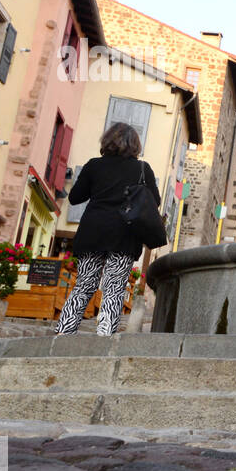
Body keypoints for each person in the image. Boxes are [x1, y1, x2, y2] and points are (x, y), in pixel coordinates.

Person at [55, 122, 161, 335]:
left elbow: (75, 198)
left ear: (107, 141)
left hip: (93, 231)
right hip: (125, 234)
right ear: (135, 145)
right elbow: (154, 201)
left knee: (84, 284)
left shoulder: (94, 165)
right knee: (114, 289)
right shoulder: (142, 169)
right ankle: (104, 337)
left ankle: (64, 332)